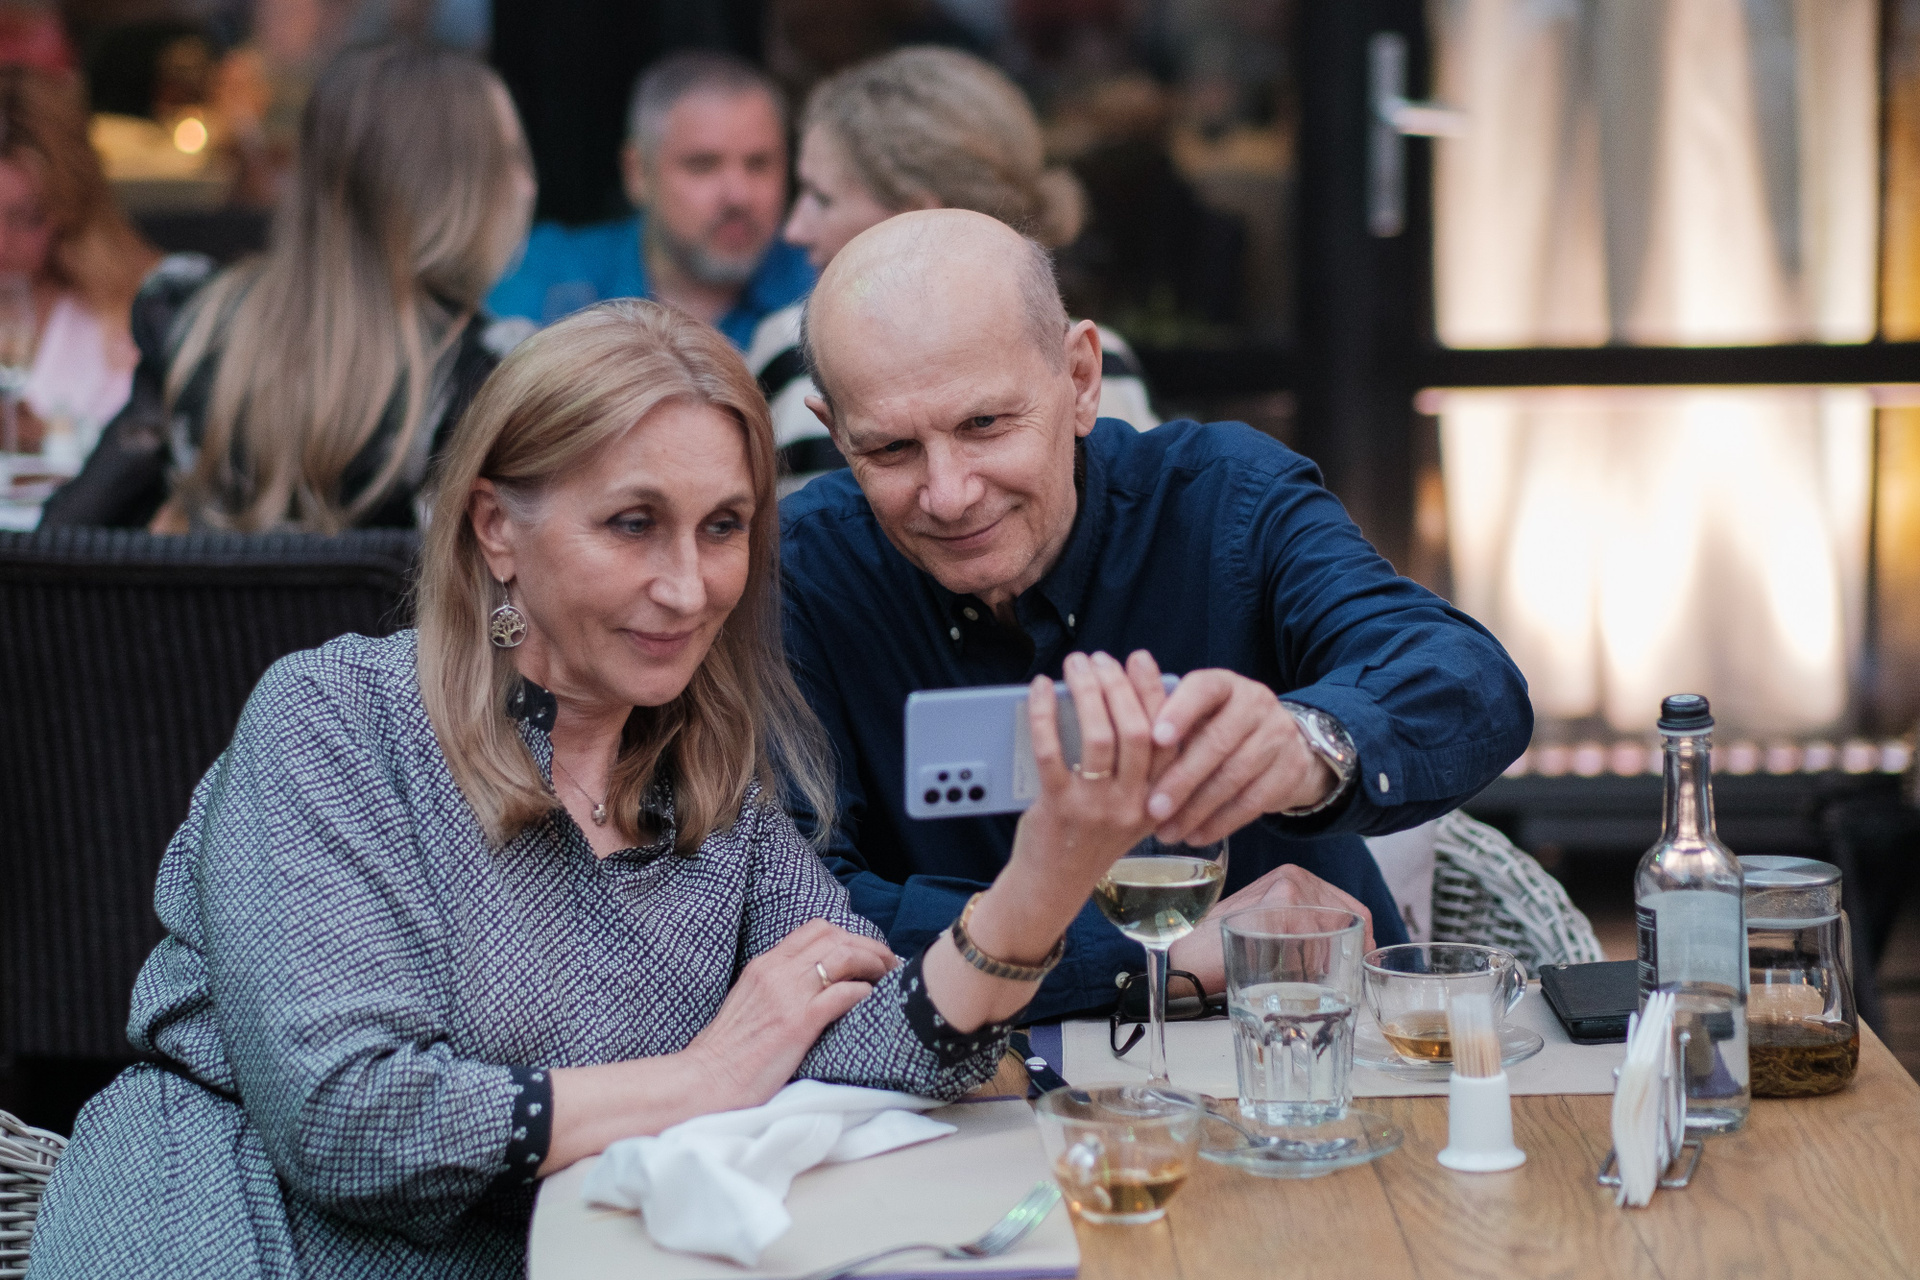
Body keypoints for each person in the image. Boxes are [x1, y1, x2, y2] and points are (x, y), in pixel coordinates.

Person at [24, 299, 1173, 1278]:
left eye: (722, 527)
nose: (688, 585)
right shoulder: (341, 720)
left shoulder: (707, 784)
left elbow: (858, 1036)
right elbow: (353, 1121)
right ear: (497, 528)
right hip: (235, 1239)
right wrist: (706, 1074)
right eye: (634, 523)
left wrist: (1044, 876)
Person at [780, 210, 1536, 1022]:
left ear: (1080, 379)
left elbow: (1469, 681)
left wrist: (1307, 745)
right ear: (835, 433)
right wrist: (1166, 958)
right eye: (891, 450)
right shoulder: (800, 574)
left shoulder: (1223, 501)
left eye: (985, 425)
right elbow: (792, 917)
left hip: (1300, 1047)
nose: (950, 493)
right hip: (964, 1083)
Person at [40, 42, 536, 532]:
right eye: (511, 156)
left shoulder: (197, 324)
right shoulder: (482, 375)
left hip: (209, 591)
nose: (528, 182)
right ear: (453, 192)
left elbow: (63, 542)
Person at [747, 45, 1154, 489]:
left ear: (916, 218)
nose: (795, 230)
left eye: (822, 198)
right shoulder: (1104, 358)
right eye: (894, 446)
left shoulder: (799, 354)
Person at [487, 50, 811, 348]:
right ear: (638, 173)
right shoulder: (547, 273)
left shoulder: (818, 288)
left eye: (759, 164)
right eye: (703, 165)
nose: (738, 195)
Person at [0, 65, 158, 461]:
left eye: (26, 217)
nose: (1, 242)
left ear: (69, 209)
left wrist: (45, 440)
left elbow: (152, 454)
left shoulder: (130, 309)